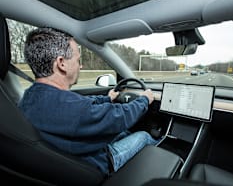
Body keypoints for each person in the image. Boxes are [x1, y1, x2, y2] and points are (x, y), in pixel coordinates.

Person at [18, 27, 158, 175]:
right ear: (61, 63)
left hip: (71, 159)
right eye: (78, 60)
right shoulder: (71, 109)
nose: (81, 65)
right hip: (99, 162)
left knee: (123, 133)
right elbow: (119, 116)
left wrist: (107, 98)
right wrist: (144, 99)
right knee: (143, 136)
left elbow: (81, 104)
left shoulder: (30, 97)